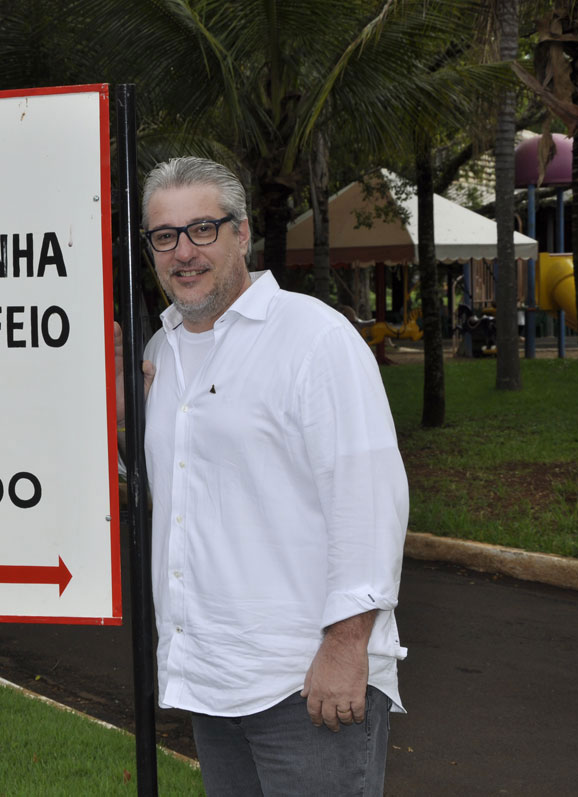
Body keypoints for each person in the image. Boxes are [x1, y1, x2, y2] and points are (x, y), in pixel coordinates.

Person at [124, 156, 409, 796]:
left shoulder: (314, 340)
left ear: (242, 232)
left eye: (203, 229)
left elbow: (368, 500)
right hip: (212, 680)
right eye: (164, 236)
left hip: (304, 683)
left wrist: (344, 649)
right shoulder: (161, 353)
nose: (183, 252)